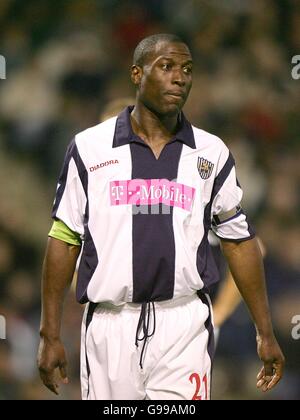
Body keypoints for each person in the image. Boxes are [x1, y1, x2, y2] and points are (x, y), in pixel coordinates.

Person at [37, 33, 284, 400]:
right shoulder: (88, 148)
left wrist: (264, 331)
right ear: (137, 75)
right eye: (166, 66)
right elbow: (64, 238)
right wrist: (50, 334)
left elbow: (239, 241)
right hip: (110, 325)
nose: (180, 77)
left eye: (187, 69)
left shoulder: (211, 152)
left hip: (182, 324)